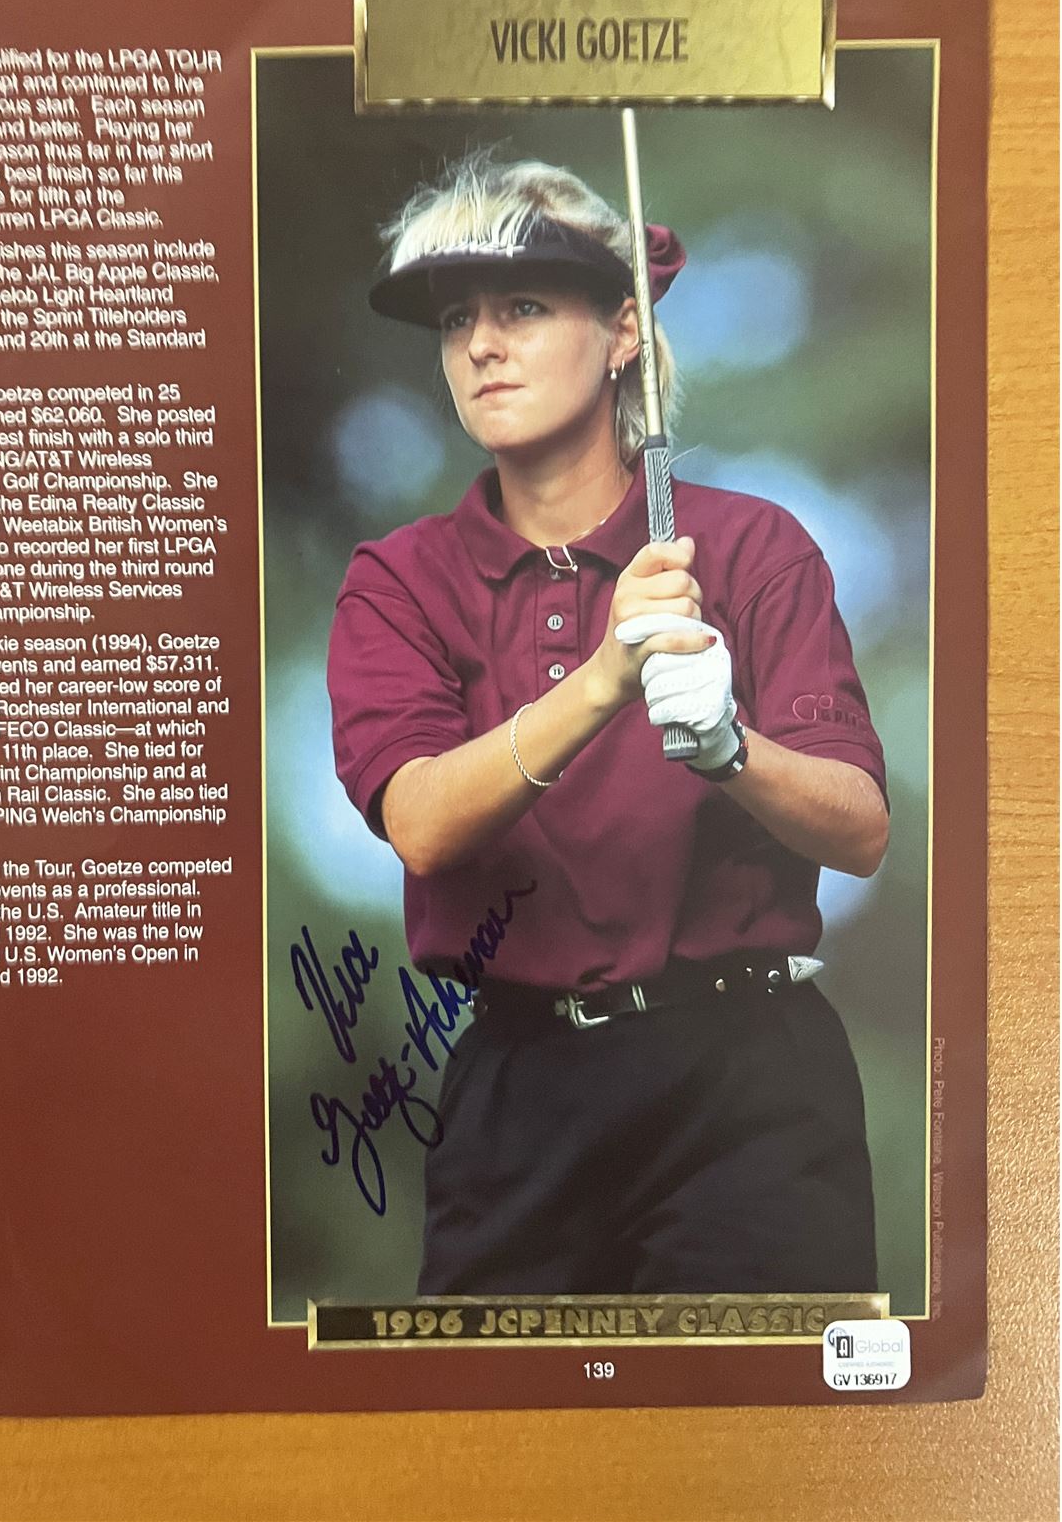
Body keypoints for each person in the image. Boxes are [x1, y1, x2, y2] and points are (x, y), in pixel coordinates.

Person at [324, 151, 891, 1298]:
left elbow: (860, 828)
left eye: (524, 309)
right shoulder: (398, 580)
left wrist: (730, 748)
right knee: (508, 1415)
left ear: (623, 329)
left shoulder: (756, 548)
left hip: (752, 1090)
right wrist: (603, 678)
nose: (481, 346)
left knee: (743, 1416)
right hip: (520, 1100)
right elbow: (422, 823)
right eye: (457, 320)